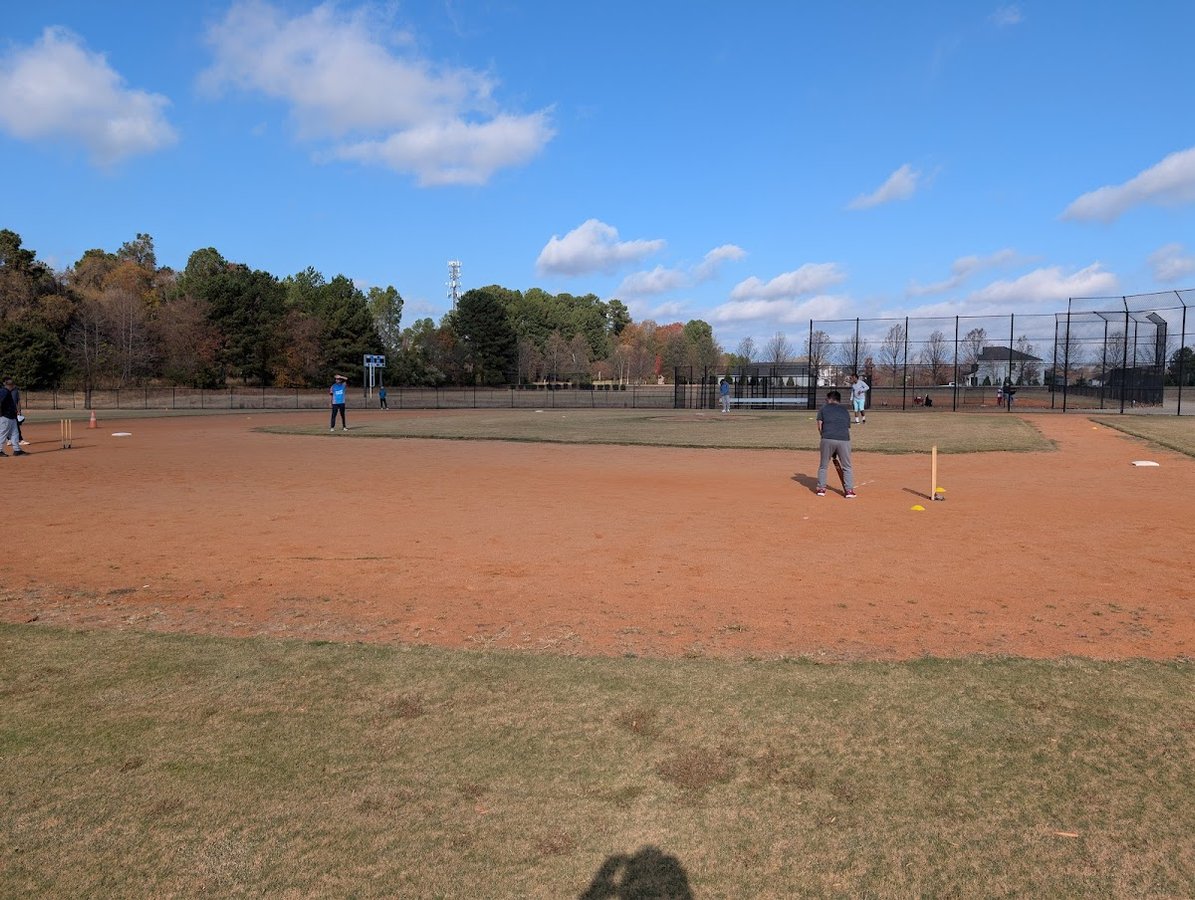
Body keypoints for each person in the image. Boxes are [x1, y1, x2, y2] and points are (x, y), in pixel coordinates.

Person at [815, 390, 854, 498]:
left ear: (831, 399)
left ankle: (821, 489)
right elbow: (847, 427)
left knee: (823, 466)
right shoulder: (845, 410)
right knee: (847, 466)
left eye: (827, 399)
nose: (826, 401)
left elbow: (820, 425)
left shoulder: (823, 409)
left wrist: (824, 437)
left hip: (827, 438)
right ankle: (849, 490)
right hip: (844, 439)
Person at [0, 377, 28, 456]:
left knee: (15, 433)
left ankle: (17, 450)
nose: (13, 386)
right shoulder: (4, 391)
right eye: (11, 384)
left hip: (12, 417)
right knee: (3, 434)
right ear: (7, 384)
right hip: (5, 417)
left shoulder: (8, 391)